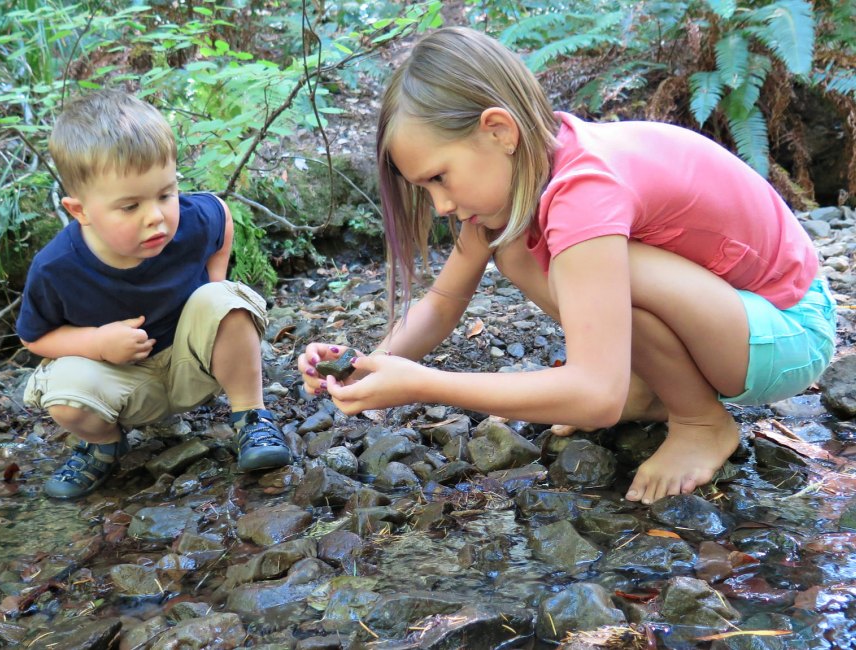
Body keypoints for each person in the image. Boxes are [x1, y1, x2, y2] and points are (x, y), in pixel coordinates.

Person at [298, 27, 836, 505]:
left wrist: (424, 384)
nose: (439, 206)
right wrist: (368, 364)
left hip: (787, 328)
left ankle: (700, 420)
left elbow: (594, 398)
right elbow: (441, 304)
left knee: (590, 269)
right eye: (425, 189)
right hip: (731, 319)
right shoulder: (519, 179)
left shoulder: (584, 192)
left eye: (440, 177)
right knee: (517, 249)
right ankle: (652, 391)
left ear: (499, 131)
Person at [17, 89, 292, 500]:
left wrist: (212, 283)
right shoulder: (56, 267)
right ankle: (104, 444)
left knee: (224, 300)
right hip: (123, 383)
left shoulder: (191, 220)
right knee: (63, 397)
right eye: (129, 207)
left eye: (166, 194)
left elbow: (221, 215)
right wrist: (96, 342)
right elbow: (33, 337)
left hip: (194, 365)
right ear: (80, 211)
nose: (157, 216)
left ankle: (252, 416)